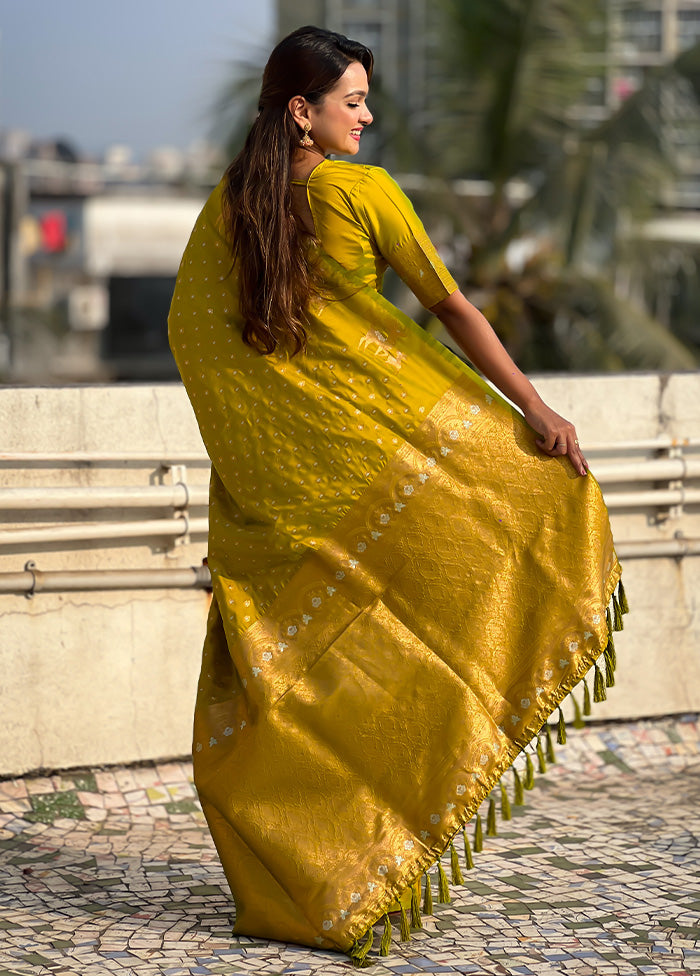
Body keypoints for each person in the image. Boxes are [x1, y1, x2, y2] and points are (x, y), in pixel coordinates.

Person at [168, 24, 626, 965]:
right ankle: (365, 866)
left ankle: (318, 881)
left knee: (314, 683)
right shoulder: (360, 190)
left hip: (287, 494)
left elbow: (196, 336)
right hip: (373, 469)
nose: (369, 117)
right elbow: (452, 309)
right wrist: (535, 409)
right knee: (434, 622)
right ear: (304, 111)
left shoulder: (227, 209)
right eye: (354, 101)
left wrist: (266, 456)